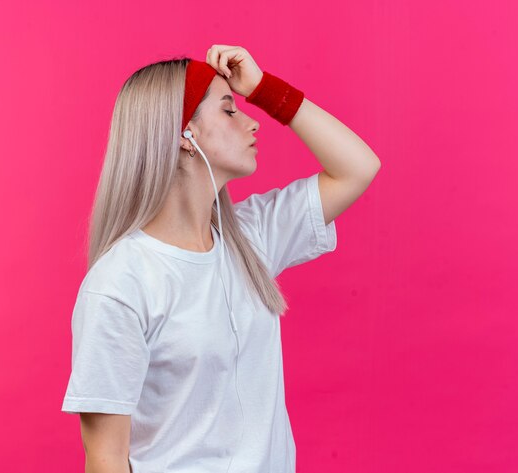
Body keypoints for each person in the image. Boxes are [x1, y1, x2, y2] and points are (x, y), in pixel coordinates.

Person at [61, 45, 381, 473]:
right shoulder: (121, 283)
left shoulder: (251, 239)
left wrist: (266, 90)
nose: (252, 123)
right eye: (229, 111)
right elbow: (105, 459)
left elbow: (358, 167)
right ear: (182, 135)